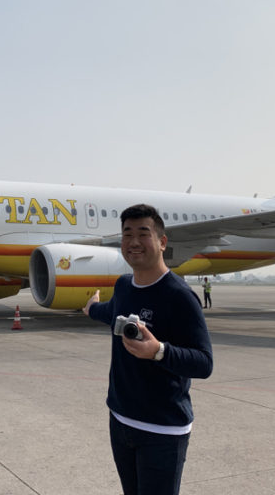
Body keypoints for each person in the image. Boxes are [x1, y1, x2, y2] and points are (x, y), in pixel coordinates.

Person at [83, 204, 213, 495]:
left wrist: (159, 351)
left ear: (162, 243)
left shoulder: (179, 296)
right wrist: (91, 308)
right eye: (127, 234)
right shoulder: (124, 286)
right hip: (120, 420)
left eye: (144, 233)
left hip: (162, 430)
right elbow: (111, 313)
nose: (134, 242)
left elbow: (204, 363)